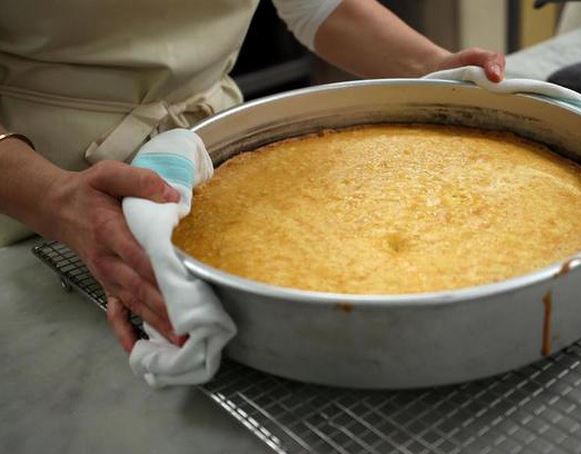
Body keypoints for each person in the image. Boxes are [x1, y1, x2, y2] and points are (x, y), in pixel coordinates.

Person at [0, 0, 505, 353]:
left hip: (209, 158)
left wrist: (433, 67)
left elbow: (318, 4)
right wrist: (56, 199)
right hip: (37, 193)